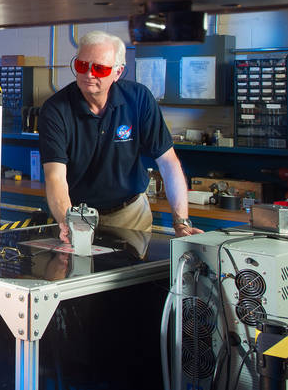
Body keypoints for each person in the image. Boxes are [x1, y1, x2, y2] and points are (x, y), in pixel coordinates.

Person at [38, 30, 203, 240]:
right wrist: (68, 223)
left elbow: (168, 163)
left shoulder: (139, 98)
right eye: (81, 66)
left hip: (129, 215)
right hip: (76, 212)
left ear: (118, 72)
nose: (89, 74)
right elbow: (55, 177)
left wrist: (181, 222)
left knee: (133, 270)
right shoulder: (56, 109)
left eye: (99, 68)